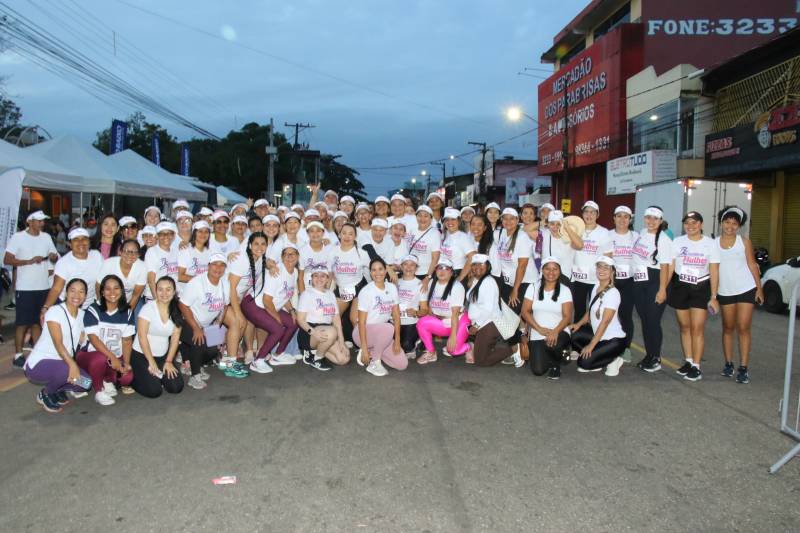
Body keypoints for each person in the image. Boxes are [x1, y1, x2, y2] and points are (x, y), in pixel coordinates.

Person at [24, 278, 90, 413]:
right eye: (72, 291)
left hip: (63, 364)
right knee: (66, 370)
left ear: (85, 296)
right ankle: (46, 393)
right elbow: (58, 343)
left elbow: (82, 341)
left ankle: (57, 388)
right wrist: (73, 365)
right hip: (39, 364)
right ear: (66, 293)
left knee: (85, 383)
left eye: (81, 292)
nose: (76, 295)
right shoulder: (55, 311)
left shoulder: (83, 315)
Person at [668, 211, 720, 382]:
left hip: (701, 287)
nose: (690, 226)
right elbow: (671, 266)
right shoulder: (677, 242)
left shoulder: (710, 244)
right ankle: (689, 361)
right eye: (687, 223)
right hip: (681, 286)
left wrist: (714, 296)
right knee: (684, 327)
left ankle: (696, 366)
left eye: (694, 222)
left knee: (697, 328)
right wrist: (663, 288)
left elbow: (714, 270)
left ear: (701, 224)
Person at [4, 210, 59, 369]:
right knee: (22, 323)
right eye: (39, 221)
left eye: (43, 221)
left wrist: (53, 256)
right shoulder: (18, 237)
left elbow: (54, 256)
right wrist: (28, 261)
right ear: (29, 221)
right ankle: (18, 355)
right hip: (25, 288)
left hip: (43, 286)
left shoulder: (46, 237)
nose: (42, 223)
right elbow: (7, 259)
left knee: (37, 322)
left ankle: (37, 353)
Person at [716, 206, 762, 384]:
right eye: (727, 222)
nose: (730, 226)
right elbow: (711, 268)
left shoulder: (744, 242)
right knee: (728, 327)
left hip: (746, 288)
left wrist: (759, 288)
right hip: (725, 290)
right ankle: (728, 363)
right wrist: (712, 294)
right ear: (721, 223)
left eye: (734, 223)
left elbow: (752, 264)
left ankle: (743, 368)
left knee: (743, 327)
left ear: (739, 226)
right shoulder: (714, 243)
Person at [76, 275, 135, 406]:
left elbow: (127, 341)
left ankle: (106, 380)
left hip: (113, 357)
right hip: (90, 355)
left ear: (122, 291)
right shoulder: (94, 309)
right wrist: (112, 358)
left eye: (116, 288)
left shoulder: (127, 312)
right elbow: (93, 339)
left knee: (127, 377)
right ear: (102, 292)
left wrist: (126, 363)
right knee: (84, 382)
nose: (112, 292)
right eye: (108, 289)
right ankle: (98, 390)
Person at [243, 244, 300, 374]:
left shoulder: (295, 272)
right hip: (253, 305)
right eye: (286, 254)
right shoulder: (276, 272)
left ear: (298, 256)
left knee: (293, 322)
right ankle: (258, 361)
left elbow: (284, 294)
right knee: (278, 328)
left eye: (292, 254)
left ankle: (278, 354)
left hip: (269, 305)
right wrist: (277, 318)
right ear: (282, 257)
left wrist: (291, 310)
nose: (289, 257)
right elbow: (266, 300)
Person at [178, 253, 232, 390]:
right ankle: (194, 376)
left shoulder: (225, 283)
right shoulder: (197, 282)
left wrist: (218, 324)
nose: (218, 268)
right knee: (199, 340)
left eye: (222, 265)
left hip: (206, 324)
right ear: (208, 266)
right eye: (214, 264)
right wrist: (196, 328)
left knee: (213, 350)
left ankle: (190, 362)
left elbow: (225, 305)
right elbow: (182, 305)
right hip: (186, 321)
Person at [631, 206, 673, 373]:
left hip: (655, 281)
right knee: (645, 320)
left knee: (653, 321)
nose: (651, 221)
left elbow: (665, 267)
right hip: (639, 280)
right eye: (648, 217)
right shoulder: (642, 233)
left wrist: (662, 290)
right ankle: (649, 355)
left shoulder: (663, 239)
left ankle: (656, 357)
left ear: (661, 221)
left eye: (655, 219)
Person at [569, 257, 626, 376]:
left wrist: (591, 345)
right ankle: (597, 359)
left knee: (583, 363)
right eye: (599, 266)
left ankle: (613, 359)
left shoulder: (613, 293)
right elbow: (590, 311)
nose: (601, 270)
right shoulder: (596, 286)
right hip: (599, 337)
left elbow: (605, 322)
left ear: (612, 272)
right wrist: (578, 324)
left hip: (613, 340)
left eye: (606, 268)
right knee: (573, 334)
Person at [130, 276, 184, 398]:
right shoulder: (148, 309)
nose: (164, 293)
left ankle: (156, 377)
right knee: (154, 391)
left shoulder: (177, 310)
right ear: (155, 291)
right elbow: (142, 336)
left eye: (168, 289)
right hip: (142, 355)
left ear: (174, 292)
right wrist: (151, 362)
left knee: (176, 387)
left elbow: (175, 339)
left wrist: (169, 361)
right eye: (160, 289)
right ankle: (132, 378)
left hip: (162, 356)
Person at [353, 257, 408, 377]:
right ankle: (375, 361)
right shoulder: (366, 291)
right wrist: (364, 347)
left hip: (382, 335)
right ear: (370, 272)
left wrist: (397, 340)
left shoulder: (392, 288)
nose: (377, 273)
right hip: (363, 333)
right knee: (388, 327)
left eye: (380, 269)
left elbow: (396, 316)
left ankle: (374, 350)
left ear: (385, 270)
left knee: (402, 364)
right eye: (374, 270)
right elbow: (361, 323)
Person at [521, 257, 573, 380]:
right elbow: (525, 311)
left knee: (553, 345)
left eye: (555, 269)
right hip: (538, 332)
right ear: (542, 270)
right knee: (538, 370)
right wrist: (539, 329)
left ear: (559, 271)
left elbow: (567, 316)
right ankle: (555, 355)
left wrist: (555, 332)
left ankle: (556, 364)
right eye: (547, 269)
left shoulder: (565, 290)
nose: (551, 272)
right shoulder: (533, 287)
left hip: (559, 331)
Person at [416, 258, 470, 363]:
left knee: (453, 351)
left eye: (446, 268)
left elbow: (455, 314)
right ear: (435, 271)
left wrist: (453, 337)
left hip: (458, 322)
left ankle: (470, 346)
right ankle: (431, 352)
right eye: (439, 268)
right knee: (422, 323)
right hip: (441, 322)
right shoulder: (431, 283)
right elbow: (429, 305)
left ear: (451, 272)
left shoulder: (457, 287)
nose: (442, 271)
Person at [296, 266, 349, 370]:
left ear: (327, 279)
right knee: (332, 332)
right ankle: (317, 359)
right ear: (312, 278)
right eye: (316, 275)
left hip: (327, 333)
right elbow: (300, 320)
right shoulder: (306, 294)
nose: (319, 278)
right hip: (309, 332)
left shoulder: (330, 294)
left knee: (343, 359)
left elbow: (336, 320)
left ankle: (315, 352)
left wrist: (341, 340)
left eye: (323, 276)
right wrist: (313, 332)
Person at [464, 255, 512, 366]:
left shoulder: (488, 282)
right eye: (474, 264)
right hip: (482, 324)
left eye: (481, 264)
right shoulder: (476, 280)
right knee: (479, 356)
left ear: (488, 266)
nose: (477, 267)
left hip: (489, 323)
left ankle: (514, 349)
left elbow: (488, 309)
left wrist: (476, 325)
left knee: (481, 361)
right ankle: (490, 347)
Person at [43, 228, 104, 314]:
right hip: (67, 304)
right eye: (76, 240)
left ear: (89, 242)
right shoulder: (64, 263)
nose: (81, 242)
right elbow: (56, 288)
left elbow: (101, 281)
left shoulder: (97, 256)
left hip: (89, 305)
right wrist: (46, 307)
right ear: (70, 244)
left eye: (84, 239)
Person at [571, 201, 613, 321]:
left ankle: (595, 332)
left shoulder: (604, 232)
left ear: (597, 215)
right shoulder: (576, 230)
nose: (589, 215)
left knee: (595, 310)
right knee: (578, 310)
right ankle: (579, 332)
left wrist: (607, 279)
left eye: (592, 212)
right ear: (582, 214)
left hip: (596, 279)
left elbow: (608, 257)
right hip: (578, 278)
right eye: (586, 212)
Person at [230, 232, 267, 363]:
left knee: (250, 318)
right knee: (239, 322)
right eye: (256, 244)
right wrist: (238, 311)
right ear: (250, 245)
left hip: (239, 298)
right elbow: (231, 287)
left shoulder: (260, 260)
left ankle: (245, 352)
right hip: (226, 298)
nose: (260, 247)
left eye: (263, 244)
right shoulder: (242, 260)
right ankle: (229, 360)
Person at [330, 223, 366, 345]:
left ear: (355, 237)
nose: (347, 236)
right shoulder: (332, 251)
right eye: (344, 233)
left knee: (355, 319)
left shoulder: (361, 253)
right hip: (341, 289)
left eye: (351, 234)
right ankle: (338, 344)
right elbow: (329, 272)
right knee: (333, 318)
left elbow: (374, 266)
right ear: (339, 234)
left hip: (359, 288)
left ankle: (363, 347)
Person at [610, 206, 638, 360]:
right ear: (614, 218)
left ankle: (626, 348)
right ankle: (609, 346)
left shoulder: (637, 237)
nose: (622, 219)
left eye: (626, 216)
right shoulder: (607, 235)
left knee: (626, 316)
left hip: (629, 281)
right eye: (619, 216)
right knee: (609, 315)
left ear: (630, 219)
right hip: (611, 281)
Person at [97, 239, 147, 315]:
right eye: (126, 251)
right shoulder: (108, 263)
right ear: (120, 252)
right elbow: (98, 286)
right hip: (107, 299)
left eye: (134, 252)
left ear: (138, 255)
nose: (130, 254)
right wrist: (102, 305)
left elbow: (136, 295)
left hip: (129, 301)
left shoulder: (142, 267)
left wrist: (126, 315)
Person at [540, 210, 583, 284]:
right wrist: (541, 222)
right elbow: (526, 229)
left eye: (558, 224)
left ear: (562, 224)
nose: (555, 227)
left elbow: (580, 246)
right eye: (552, 224)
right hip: (547, 279)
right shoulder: (544, 234)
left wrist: (567, 227)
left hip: (566, 279)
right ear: (548, 224)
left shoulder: (569, 236)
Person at [144, 222, 179, 302]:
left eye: (169, 233)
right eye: (162, 234)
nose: (166, 236)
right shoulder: (152, 252)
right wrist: (157, 301)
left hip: (171, 297)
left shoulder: (176, 251)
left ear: (174, 236)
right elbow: (151, 280)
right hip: (155, 297)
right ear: (157, 236)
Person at [409, 205, 441, 290]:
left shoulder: (435, 233)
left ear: (431, 218)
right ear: (416, 217)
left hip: (426, 273)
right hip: (411, 272)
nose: (422, 219)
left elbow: (435, 258)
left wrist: (428, 277)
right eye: (420, 215)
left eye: (426, 216)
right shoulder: (412, 230)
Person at [396, 255, 422, 358]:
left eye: (412, 265)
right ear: (401, 267)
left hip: (411, 321)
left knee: (406, 347)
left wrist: (415, 312)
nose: (408, 267)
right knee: (390, 345)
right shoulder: (395, 281)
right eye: (405, 264)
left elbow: (425, 309)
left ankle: (418, 340)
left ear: (416, 268)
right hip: (395, 320)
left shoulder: (421, 284)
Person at [440, 207, 476, 283]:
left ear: (459, 221)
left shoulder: (463, 237)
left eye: (453, 219)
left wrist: (460, 277)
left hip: (456, 274)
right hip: (444, 272)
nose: (449, 222)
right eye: (447, 219)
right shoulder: (445, 235)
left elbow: (472, 257)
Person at [177, 220, 211, 294]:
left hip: (202, 293)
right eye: (200, 231)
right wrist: (201, 280)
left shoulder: (210, 251)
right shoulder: (185, 250)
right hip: (185, 292)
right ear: (194, 233)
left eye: (206, 232)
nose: (203, 234)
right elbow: (180, 276)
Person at [298, 221, 333, 292]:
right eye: (312, 231)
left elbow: (330, 273)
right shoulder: (302, 251)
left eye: (318, 231)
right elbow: (300, 277)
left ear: (323, 233)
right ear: (307, 233)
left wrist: (325, 292)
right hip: (308, 286)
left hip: (327, 285)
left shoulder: (330, 249)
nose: (315, 234)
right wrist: (303, 295)